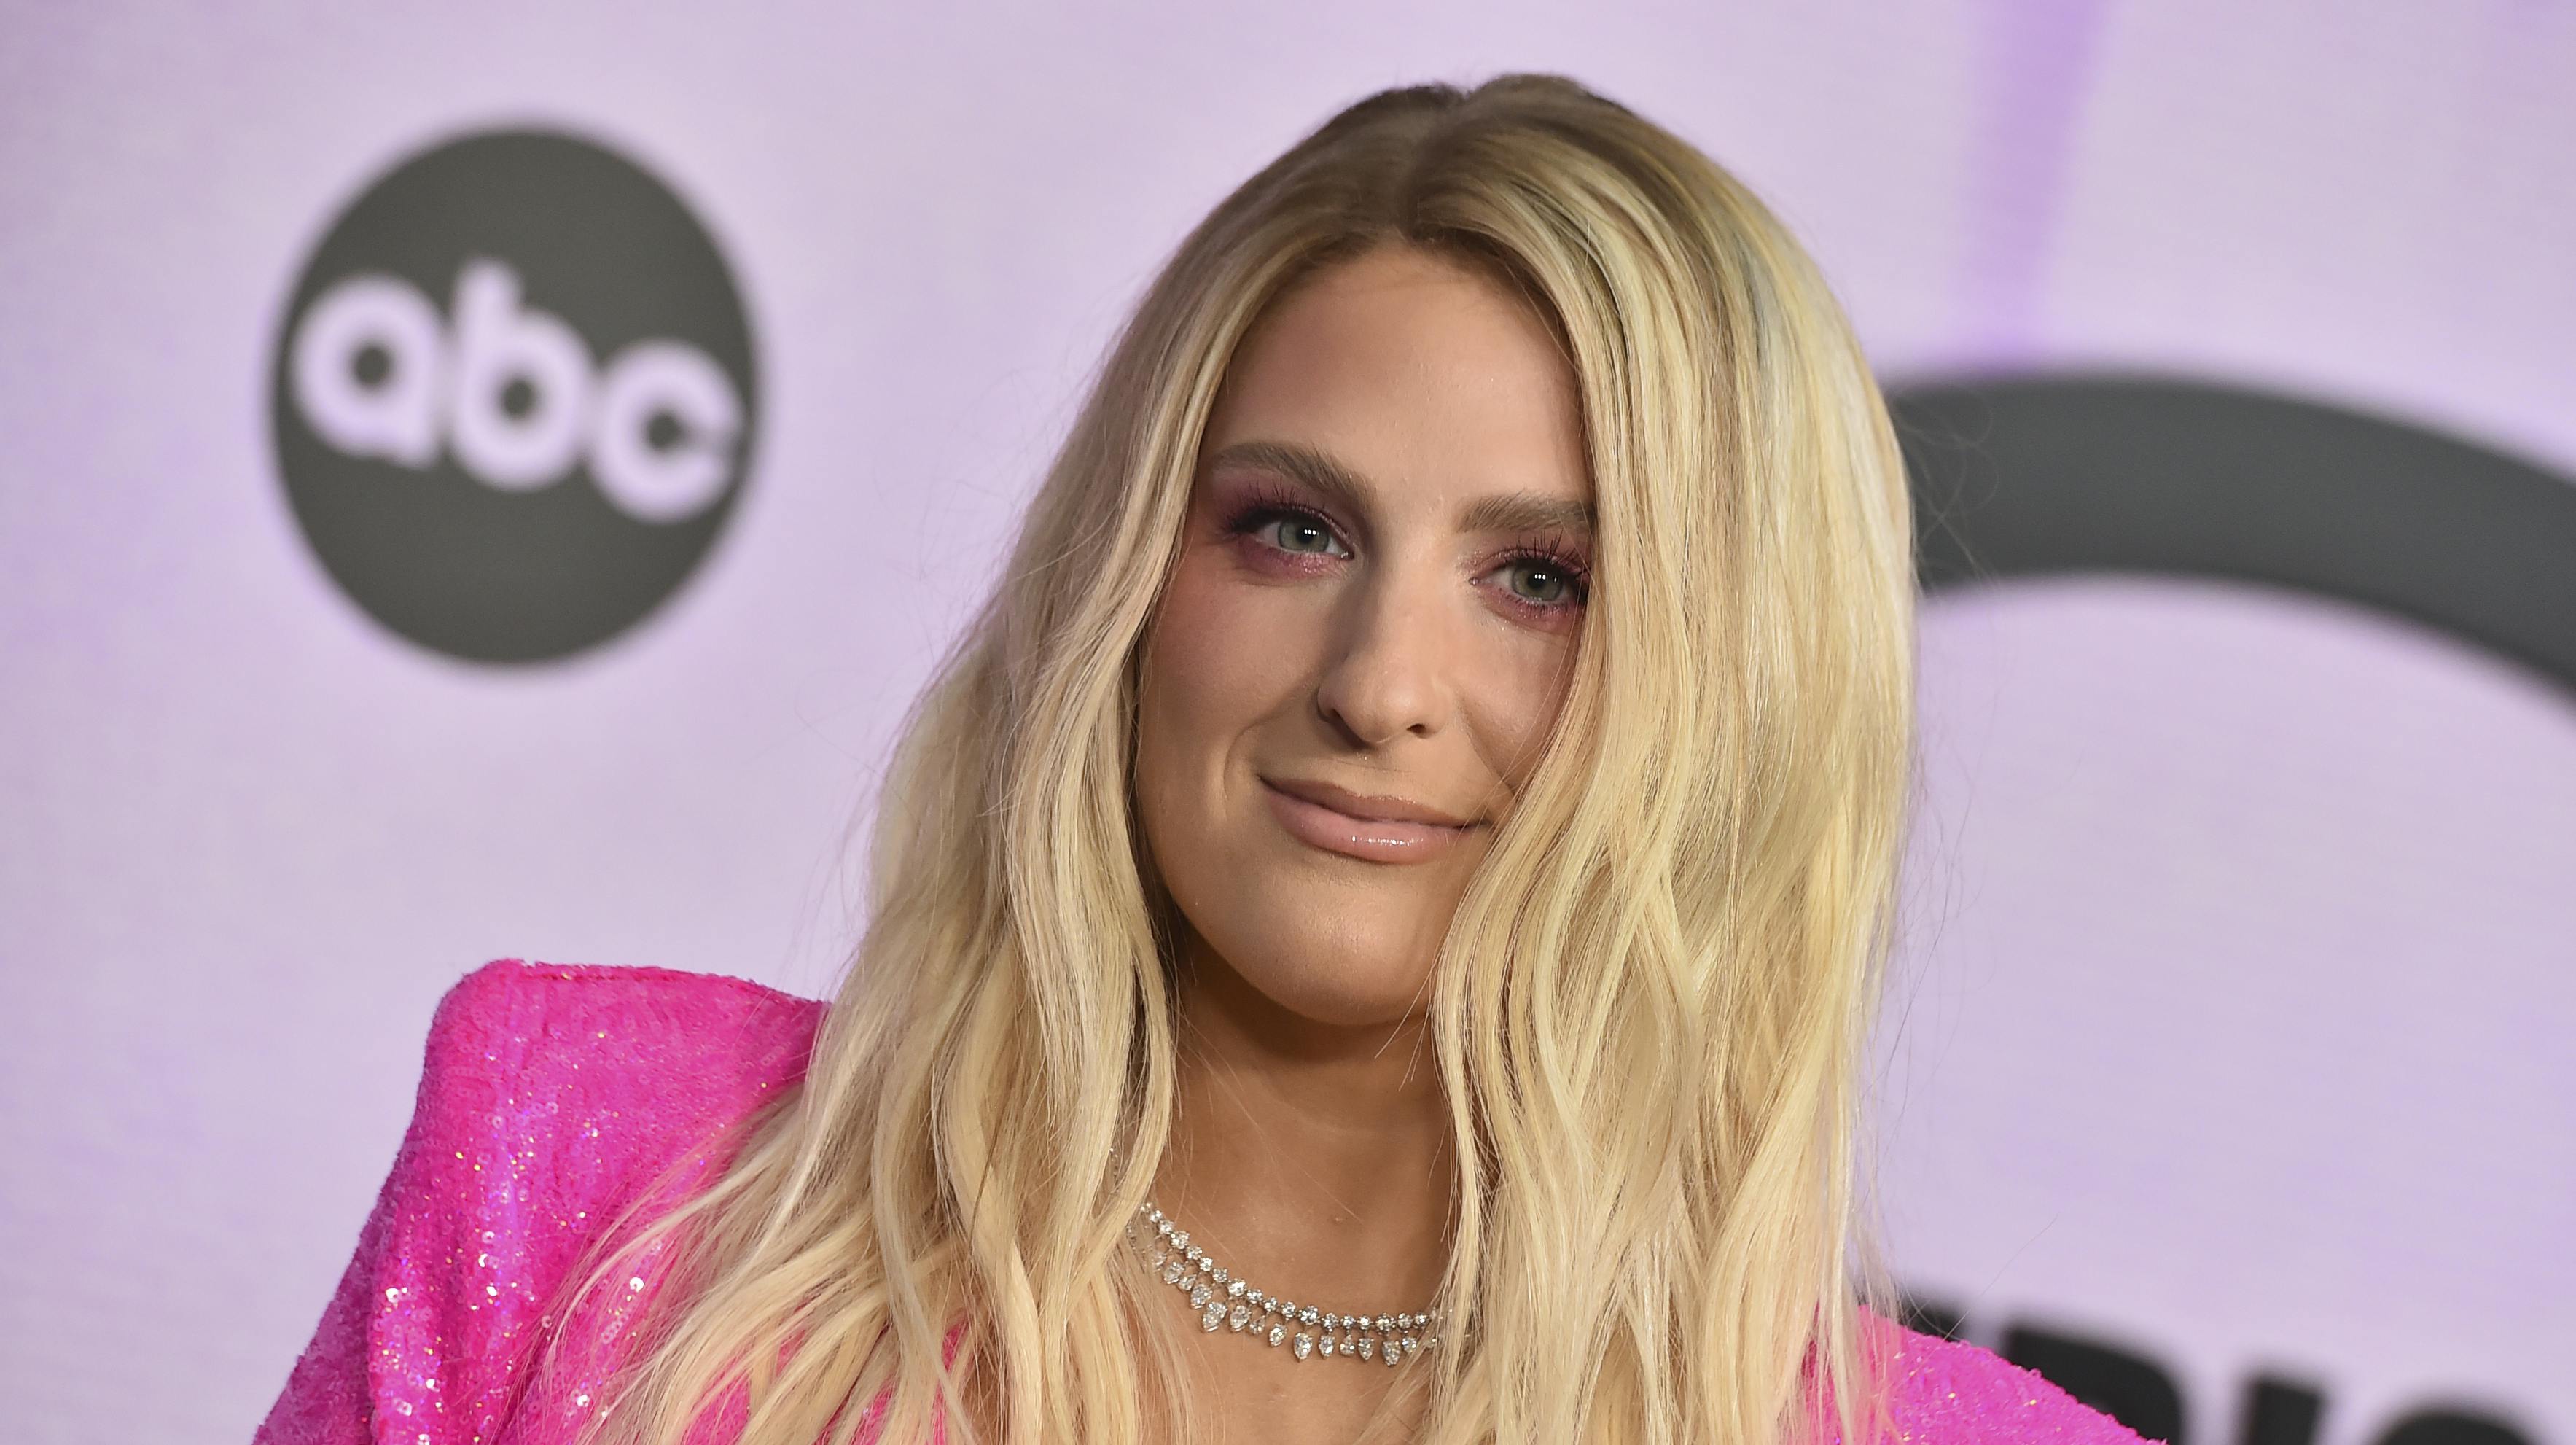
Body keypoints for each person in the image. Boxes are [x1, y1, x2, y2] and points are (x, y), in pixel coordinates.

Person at [257, 74, 2144, 1445]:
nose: (1381, 684)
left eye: (1543, 578)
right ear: (1131, 575)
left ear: (1741, 701)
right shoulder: (582, 1170)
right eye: (1293, 532)